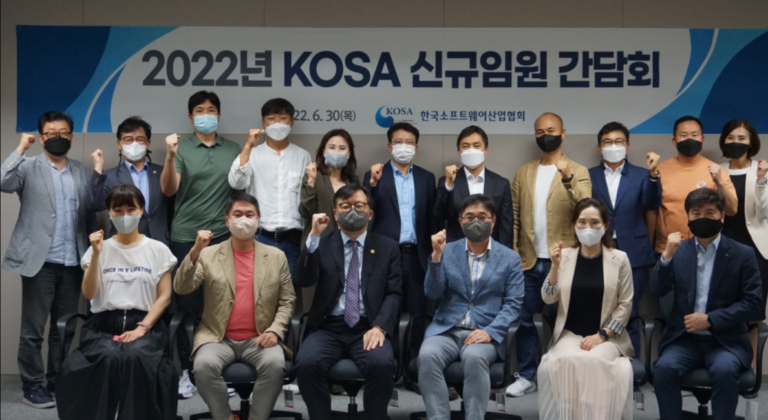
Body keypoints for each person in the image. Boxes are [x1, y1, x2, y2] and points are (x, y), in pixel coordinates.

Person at [56, 184, 178, 420]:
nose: (125, 215)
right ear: (109, 213)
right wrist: (96, 254)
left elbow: (164, 297)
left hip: (145, 326)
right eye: (118, 210)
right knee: (108, 357)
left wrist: (142, 328)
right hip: (102, 328)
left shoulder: (158, 250)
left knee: (135, 358)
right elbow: (89, 294)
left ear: (141, 210)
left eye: (131, 209)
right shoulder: (98, 249)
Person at [1, 111, 97, 408]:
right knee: (33, 330)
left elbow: (90, 211)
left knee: (65, 327)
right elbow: (3, 182)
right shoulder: (28, 166)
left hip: (73, 262)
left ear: (71, 136)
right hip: (39, 262)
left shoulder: (80, 169)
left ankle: (59, 379)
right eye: (51, 133)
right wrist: (20, 148)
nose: (58, 137)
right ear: (42, 138)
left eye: (63, 132)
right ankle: (32, 385)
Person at [175, 192, 295, 420]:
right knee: (203, 366)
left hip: (260, 337)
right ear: (226, 220)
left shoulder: (276, 256)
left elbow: (287, 300)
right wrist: (195, 251)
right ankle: (225, 417)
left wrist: (275, 330)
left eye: (249, 214)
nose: (243, 220)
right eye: (237, 214)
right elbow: (182, 287)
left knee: (275, 364)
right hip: (217, 337)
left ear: (258, 220)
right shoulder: (208, 254)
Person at [651, 188, 762, 420]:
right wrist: (666, 257)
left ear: (722, 216)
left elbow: (752, 302)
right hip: (684, 340)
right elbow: (657, 290)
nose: (702, 218)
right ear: (688, 217)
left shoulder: (742, 253)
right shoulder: (679, 252)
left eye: (710, 213)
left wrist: (711, 319)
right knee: (663, 369)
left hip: (725, 341)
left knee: (724, 371)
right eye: (696, 213)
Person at [294, 185, 401, 420]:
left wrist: (380, 326)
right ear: (335, 214)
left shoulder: (387, 247)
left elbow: (394, 293)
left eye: (359, 206)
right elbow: (303, 279)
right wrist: (313, 236)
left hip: (368, 326)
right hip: (328, 327)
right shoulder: (322, 243)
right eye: (345, 206)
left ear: (370, 214)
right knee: (306, 363)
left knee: (382, 363)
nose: (352, 210)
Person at [160, 90, 242, 399]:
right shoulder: (180, 148)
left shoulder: (232, 149)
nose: (205, 115)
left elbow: (240, 188)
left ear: (219, 116)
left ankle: (221, 369)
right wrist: (170, 156)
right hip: (186, 236)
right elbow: (169, 190)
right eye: (199, 110)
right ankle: (189, 370)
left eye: (210, 110)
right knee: (188, 307)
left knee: (222, 305)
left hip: (223, 236)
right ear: (190, 116)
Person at [507, 112, 592, 397]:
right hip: (528, 262)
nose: (546, 136)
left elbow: (586, 208)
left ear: (563, 133)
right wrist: (515, 253)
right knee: (525, 321)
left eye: (552, 130)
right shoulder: (524, 171)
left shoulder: (578, 170)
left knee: (565, 322)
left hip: (564, 261)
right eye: (540, 132)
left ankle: (561, 376)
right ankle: (526, 376)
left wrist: (567, 177)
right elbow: (514, 217)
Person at [418, 194, 524, 420]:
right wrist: (436, 255)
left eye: (483, 217)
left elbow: (513, 304)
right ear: (460, 222)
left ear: (493, 221)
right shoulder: (447, 250)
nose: (476, 221)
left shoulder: (510, 258)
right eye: (470, 217)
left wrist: (490, 332)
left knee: (474, 358)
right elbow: (432, 293)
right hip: (447, 330)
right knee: (427, 355)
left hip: (485, 333)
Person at [537, 198, 634, 420]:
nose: (588, 227)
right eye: (582, 222)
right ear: (574, 225)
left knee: (593, 361)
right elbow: (548, 298)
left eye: (594, 222)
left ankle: (598, 416)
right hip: (569, 334)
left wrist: (602, 335)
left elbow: (626, 303)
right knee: (560, 362)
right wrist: (554, 266)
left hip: (607, 336)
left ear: (605, 226)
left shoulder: (620, 259)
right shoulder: (564, 256)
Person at [364, 122, 438, 380]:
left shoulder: (427, 178)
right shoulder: (375, 175)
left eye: (409, 142)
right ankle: (389, 369)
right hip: (385, 256)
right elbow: (364, 211)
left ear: (416, 147)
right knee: (386, 311)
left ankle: (415, 371)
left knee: (418, 314)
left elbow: (433, 218)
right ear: (389, 146)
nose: (403, 146)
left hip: (417, 255)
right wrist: (371, 184)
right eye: (398, 142)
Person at [588, 121, 662, 355]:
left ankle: (632, 363)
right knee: (598, 307)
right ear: (599, 148)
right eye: (607, 142)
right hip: (599, 247)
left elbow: (651, 203)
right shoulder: (588, 175)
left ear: (627, 146)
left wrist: (653, 175)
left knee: (631, 309)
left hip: (634, 250)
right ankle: (600, 359)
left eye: (618, 142)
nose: (613, 146)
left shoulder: (642, 174)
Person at [229, 98, 312, 282]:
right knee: (257, 289)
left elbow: (308, 196)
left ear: (292, 122)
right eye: (271, 119)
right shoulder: (253, 154)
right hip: (260, 236)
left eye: (282, 118)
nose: (277, 123)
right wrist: (248, 145)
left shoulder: (303, 156)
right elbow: (236, 182)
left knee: (289, 291)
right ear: (263, 123)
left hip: (292, 239)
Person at [717, 119, 768, 367]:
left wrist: (761, 181)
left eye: (741, 138)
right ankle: (725, 366)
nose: (736, 142)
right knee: (723, 309)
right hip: (722, 249)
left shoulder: (762, 169)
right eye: (731, 137)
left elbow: (764, 212)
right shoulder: (716, 170)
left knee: (753, 314)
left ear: (751, 143)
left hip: (755, 250)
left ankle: (751, 371)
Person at [653, 116, 737, 257]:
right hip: (667, 248)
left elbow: (731, 210)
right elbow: (651, 211)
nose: (689, 139)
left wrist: (719, 182)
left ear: (702, 139)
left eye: (694, 135)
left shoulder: (715, 170)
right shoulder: (659, 170)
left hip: (706, 248)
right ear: (674, 141)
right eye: (683, 135)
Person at [89, 116, 172, 245]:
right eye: (128, 140)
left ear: (148, 144)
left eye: (140, 139)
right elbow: (96, 205)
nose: (134, 144)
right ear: (119, 144)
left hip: (159, 243)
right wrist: (98, 168)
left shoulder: (163, 172)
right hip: (123, 244)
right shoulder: (110, 176)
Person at [434, 125, 513, 248]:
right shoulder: (447, 181)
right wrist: (448, 185)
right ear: (459, 151)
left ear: (486, 150)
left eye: (476, 146)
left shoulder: (501, 184)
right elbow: (441, 215)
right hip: (457, 249)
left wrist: (505, 253)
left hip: (492, 249)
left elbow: (505, 226)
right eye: (466, 146)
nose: (471, 150)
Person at [300, 128, 359, 245]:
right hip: (319, 243)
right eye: (332, 147)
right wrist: (311, 181)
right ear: (323, 152)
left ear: (349, 154)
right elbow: (305, 213)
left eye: (342, 148)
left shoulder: (353, 181)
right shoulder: (313, 177)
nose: (336, 152)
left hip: (346, 244)